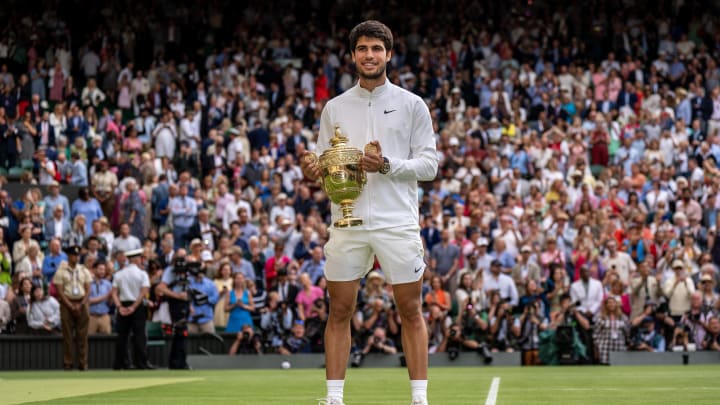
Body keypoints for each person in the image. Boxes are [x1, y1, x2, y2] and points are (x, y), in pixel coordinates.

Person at [300, 20, 438, 405]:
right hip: (348, 223)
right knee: (339, 310)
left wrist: (387, 164)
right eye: (363, 49)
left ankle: (419, 399)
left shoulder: (413, 104)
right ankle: (333, 399)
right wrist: (315, 172)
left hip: (397, 222)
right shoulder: (335, 107)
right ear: (353, 55)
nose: (370, 55)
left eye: (377, 49)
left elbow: (430, 166)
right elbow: (328, 168)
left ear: (389, 54)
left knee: (410, 309)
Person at [111, 248, 154, 370]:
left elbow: (114, 293)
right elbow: (144, 292)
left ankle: (121, 363)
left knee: (122, 336)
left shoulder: (119, 274)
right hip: (137, 306)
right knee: (139, 335)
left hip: (123, 304)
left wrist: (119, 306)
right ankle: (141, 362)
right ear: (137, 259)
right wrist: (134, 306)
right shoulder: (142, 274)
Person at [52, 245, 92, 370]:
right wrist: (69, 305)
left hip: (81, 302)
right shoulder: (61, 270)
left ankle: (83, 363)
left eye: (78, 255)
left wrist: (81, 304)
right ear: (69, 256)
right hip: (66, 302)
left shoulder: (83, 270)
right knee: (67, 335)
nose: (76, 257)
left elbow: (88, 289)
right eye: (74, 255)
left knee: (83, 335)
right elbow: (59, 290)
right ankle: (68, 362)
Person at [87, 261, 112, 335]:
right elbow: (88, 301)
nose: (102, 272)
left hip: (104, 316)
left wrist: (111, 298)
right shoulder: (88, 283)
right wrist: (106, 296)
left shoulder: (108, 284)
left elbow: (110, 303)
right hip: (91, 316)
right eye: (100, 269)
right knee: (89, 341)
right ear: (94, 270)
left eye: (104, 270)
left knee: (106, 341)